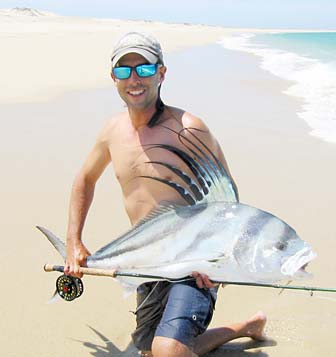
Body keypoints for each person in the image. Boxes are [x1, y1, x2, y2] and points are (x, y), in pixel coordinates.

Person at [64, 32, 267, 357]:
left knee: (168, 349)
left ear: (161, 73)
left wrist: (219, 261)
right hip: (146, 258)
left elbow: (227, 198)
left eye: (143, 69)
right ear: (113, 77)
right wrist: (74, 242)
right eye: (124, 70)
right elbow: (84, 180)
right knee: (150, 350)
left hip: (194, 263)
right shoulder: (112, 131)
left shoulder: (188, 129)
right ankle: (246, 327)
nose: (134, 79)